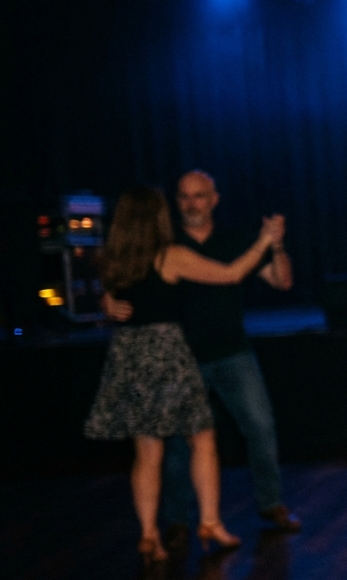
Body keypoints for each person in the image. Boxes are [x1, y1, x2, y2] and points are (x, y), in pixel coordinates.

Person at [103, 170, 301, 547]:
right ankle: (178, 522)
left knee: (259, 426)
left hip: (231, 351)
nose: (191, 203)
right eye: (184, 197)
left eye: (198, 196)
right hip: (180, 358)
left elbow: (281, 281)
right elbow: (125, 281)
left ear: (214, 199)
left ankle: (269, 504)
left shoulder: (230, 239)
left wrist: (273, 245)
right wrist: (107, 300)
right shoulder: (165, 244)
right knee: (176, 445)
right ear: (175, 203)